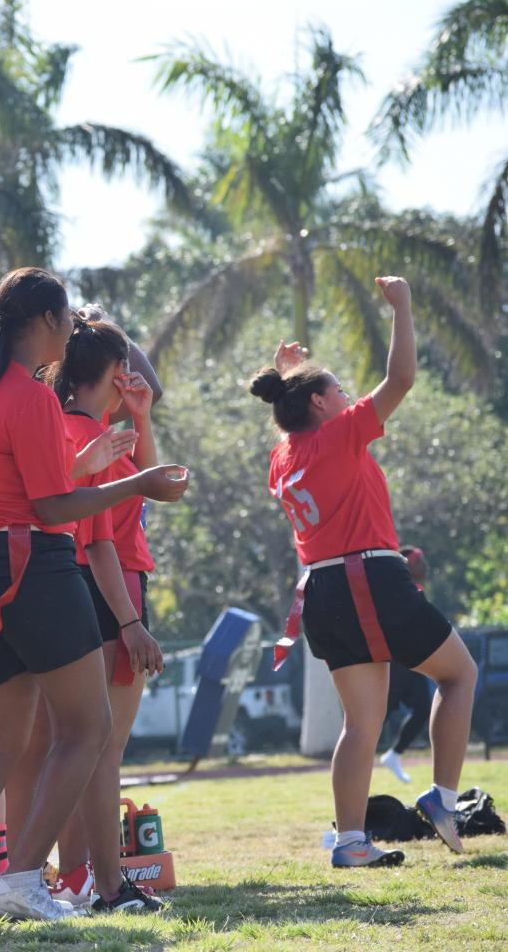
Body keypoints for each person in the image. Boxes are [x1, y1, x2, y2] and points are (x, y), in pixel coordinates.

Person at [0, 267, 188, 921]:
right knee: (89, 726)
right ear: (42, 322)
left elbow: (24, 483)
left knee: (2, 742)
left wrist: (94, 467)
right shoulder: (28, 396)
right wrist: (135, 482)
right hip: (30, 566)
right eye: (66, 318)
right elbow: (52, 505)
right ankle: (19, 876)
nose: (72, 330)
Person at [250, 276, 478, 867]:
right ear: (322, 405)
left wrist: (290, 377)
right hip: (369, 577)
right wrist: (403, 307)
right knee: (459, 675)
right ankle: (444, 798)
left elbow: (287, 422)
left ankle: (351, 841)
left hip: (322, 589)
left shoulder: (283, 457)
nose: (350, 397)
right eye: (339, 390)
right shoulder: (338, 436)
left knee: (361, 724)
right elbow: (401, 379)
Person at [45, 316, 165, 913]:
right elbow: (103, 543)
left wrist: (140, 418)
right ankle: (99, 882)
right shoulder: (92, 440)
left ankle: (74, 875)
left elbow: (157, 483)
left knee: (70, 746)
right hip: (107, 590)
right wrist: (130, 622)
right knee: (98, 750)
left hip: (73, 587)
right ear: (116, 375)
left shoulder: (65, 428)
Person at [377, 547, 435, 783]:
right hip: (395, 661)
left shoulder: (416, 589)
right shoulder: (396, 590)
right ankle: (353, 761)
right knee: (378, 715)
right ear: (406, 565)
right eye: (419, 561)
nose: (425, 566)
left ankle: (394, 754)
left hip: (412, 660)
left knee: (423, 707)